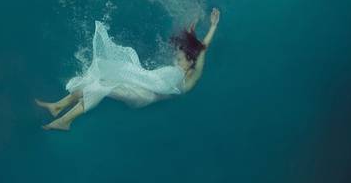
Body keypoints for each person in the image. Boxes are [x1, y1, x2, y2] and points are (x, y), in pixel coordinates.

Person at [36, 8, 220, 130]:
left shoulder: (190, 78)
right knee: (98, 80)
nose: (177, 60)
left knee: (102, 86)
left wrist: (213, 26)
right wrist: (191, 27)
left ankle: (65, 121)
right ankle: (58, 106)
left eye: (181, 59)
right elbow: (193, 47)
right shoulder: (181, 67)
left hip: (143, 96)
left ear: (191, 61)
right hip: (142, 85)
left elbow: (203, 48)